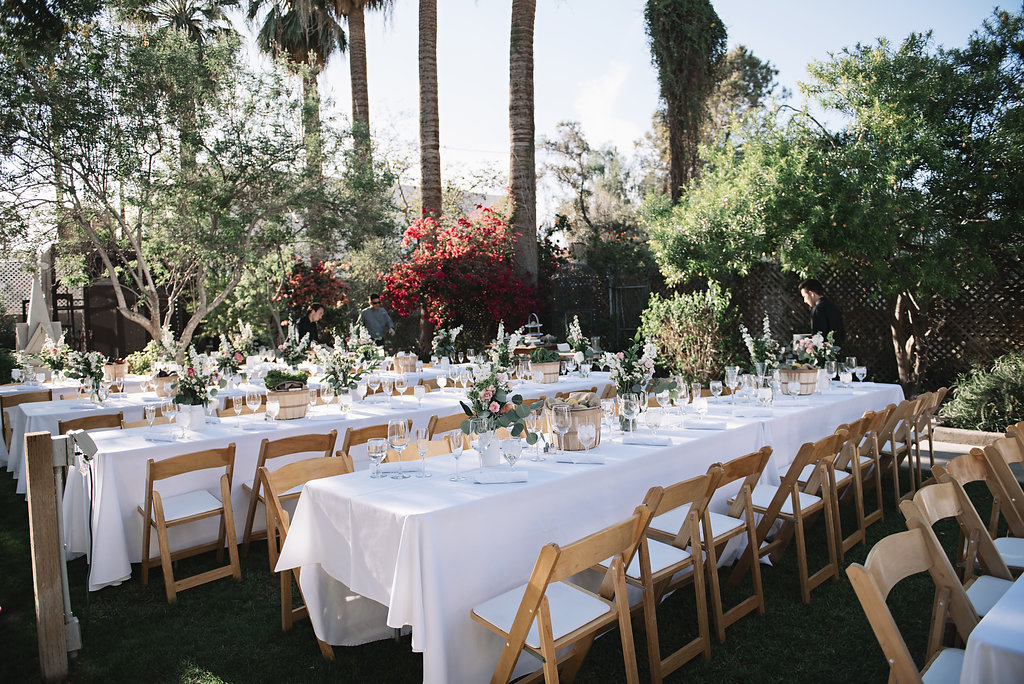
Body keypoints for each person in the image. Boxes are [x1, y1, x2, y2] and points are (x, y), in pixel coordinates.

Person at [798, 278, 845, 348]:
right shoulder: (834, 307)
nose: (805, 301)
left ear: (811, 293)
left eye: (804, 296)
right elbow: (842, 334)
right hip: (838, 350)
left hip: (825, 351)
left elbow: (817, 336)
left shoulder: (818, 309)